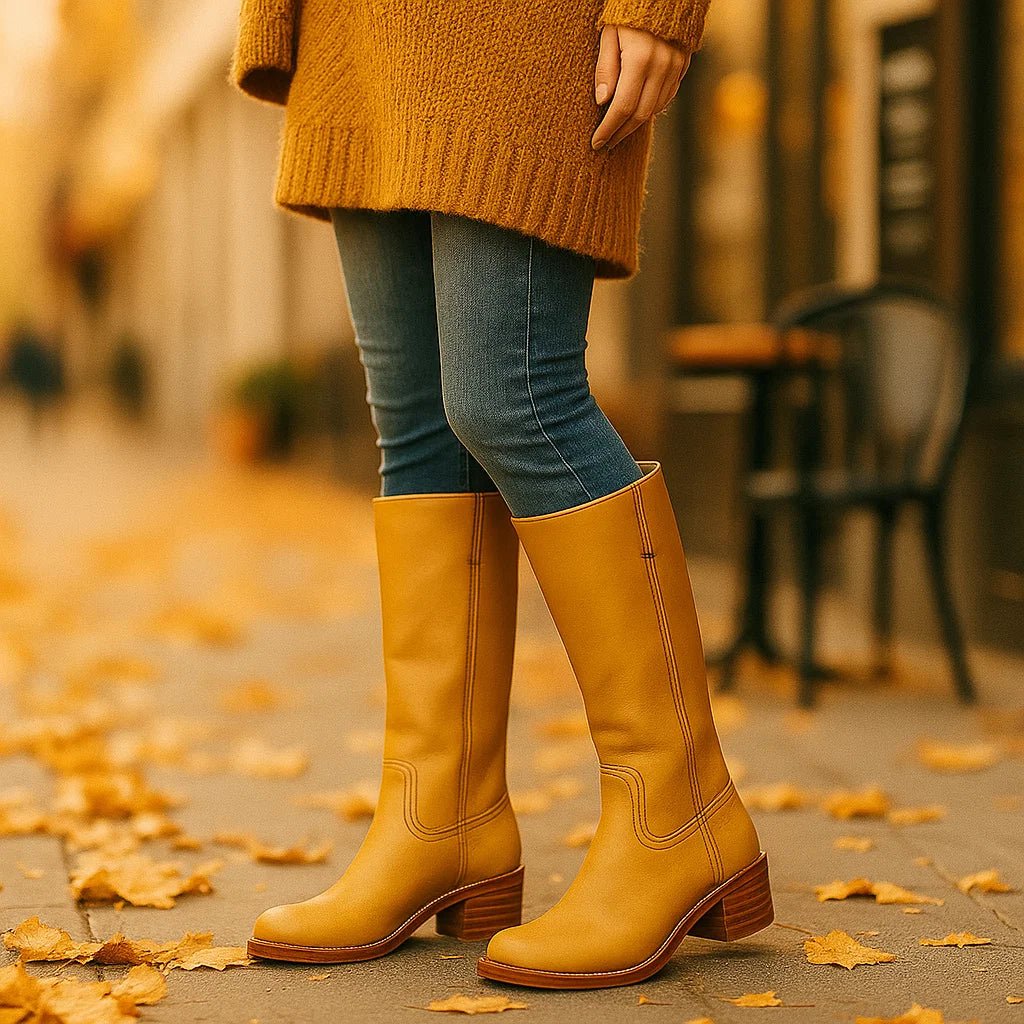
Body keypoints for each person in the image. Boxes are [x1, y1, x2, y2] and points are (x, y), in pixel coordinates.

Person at [230, 0, 772, 989]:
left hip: (524, 25)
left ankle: (678, 810)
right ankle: (442, 817)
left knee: (512, 396)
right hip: (356, 35)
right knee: (417, 426)